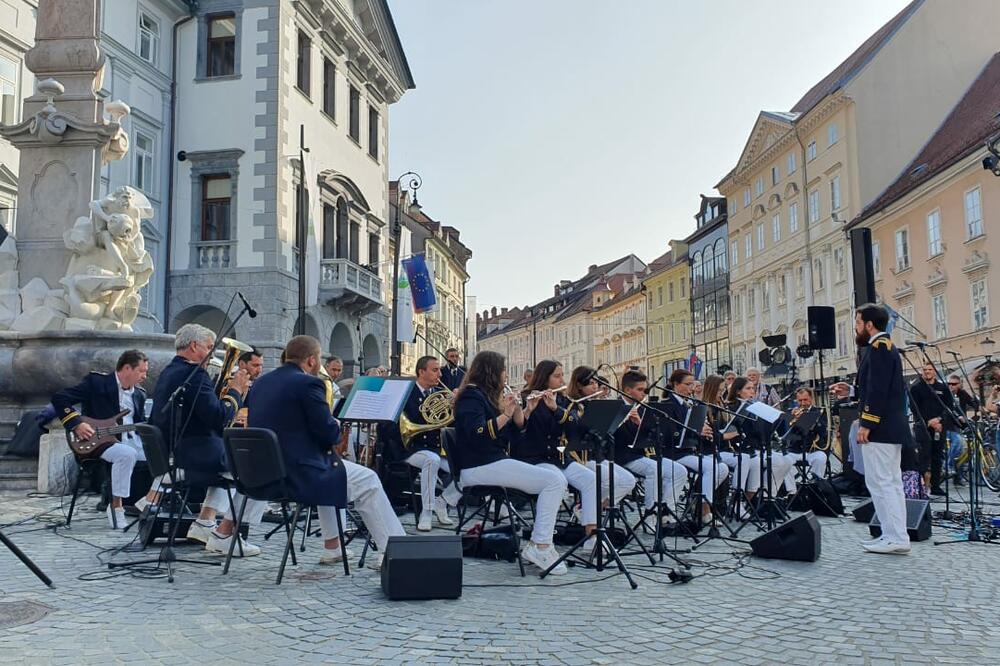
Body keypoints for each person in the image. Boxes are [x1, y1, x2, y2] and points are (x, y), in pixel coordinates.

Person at [247, 335, 406, 569]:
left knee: (332, 468)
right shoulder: (308, 384)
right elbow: (328, 434)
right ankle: (395, 548)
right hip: (297, 473)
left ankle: (333, 546)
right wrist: (335, 423)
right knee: (368, 480)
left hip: (264, 470)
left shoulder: (262, 382)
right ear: (311, 360)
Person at [447, 350, 569, 575]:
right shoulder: (471, 397)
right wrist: (505, 414)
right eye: (503, 370)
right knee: (553, 481)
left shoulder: (486, 396)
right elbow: (478, 434)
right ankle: (540, 545)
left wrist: (524, 412)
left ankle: (541, 543)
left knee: (557, 479)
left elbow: (513, 436)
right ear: (492, 372)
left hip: (492, 461)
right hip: (478, 465)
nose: (505, 376)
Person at [150, 323, 261, 557]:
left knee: (230, 462)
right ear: (194, 346)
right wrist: (236, 392)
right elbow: (219, 417)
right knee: (254, 468)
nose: (212, 354)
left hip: (176, 448)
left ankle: (205, 522)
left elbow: (199, 413)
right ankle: (224, 535)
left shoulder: (171, 370)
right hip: (191, 452)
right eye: (210, 347)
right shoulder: (195, 375)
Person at [513, 361, 635, 548]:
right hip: (536, 457)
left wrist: (556, 409)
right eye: (557, 376)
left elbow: (574, 427)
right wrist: (531, 408)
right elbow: (525, 432)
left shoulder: (561, 400)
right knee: (556, 482)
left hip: (559, 458)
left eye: (562, 375)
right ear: (544, 377)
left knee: (591, 480)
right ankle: (540, 543)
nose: (562, 380)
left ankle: (591, 536)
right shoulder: (525, 397)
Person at [831, 304, 912, 555]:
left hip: (882, 427)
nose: (855, 328)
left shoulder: (878, 348)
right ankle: (892, 534)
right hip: (887, 425)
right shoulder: (882, 348)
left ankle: (896, 536)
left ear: (869, 324)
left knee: (883, 482)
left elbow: (879, 391)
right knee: (886, 482)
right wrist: (853, 391)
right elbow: (876, 387)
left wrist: (867, 423)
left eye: (857, 322)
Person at [51, 349, 156, 530]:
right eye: (142, 371)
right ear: (127, 368)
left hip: (130, 439)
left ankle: (148, 505)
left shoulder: (140, 394)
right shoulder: (96, 383)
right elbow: (60, 398)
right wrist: (76, 424)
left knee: (161, 459)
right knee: (126, 454)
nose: (145, 376)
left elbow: (139, 424)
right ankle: (116, 507)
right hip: (97, 441)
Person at [613, 370, 688, 526]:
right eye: (640, 390)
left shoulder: (642, 407)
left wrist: (645, 424)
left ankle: (667, 511)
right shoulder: (615, 406)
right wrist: (629, 422)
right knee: (653, 469)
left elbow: (653, 436)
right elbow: (614, 439)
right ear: (627, 390)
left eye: (645, 390)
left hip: (644, 454)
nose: (643, 394)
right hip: (623, 455)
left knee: (679, 471)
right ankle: (650, 515)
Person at [663, 369, 729, 525]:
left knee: (722, 469)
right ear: (675, 385)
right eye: (687, 384)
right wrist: (695, 429)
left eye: (692, 383)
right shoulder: (667, 404)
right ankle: (704, 509)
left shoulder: (689, 403)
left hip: (689, 449)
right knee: (713, 468)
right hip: (675, 451)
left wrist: (704, 430)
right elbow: (670, 432)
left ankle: (700, 502)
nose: (691, 388)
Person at [399, 355, 455, 531]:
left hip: (434, 447)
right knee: (432, 460)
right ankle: (427, 512)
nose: (439, 373)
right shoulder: (406, 392)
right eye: (435, 370)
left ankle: (443, 501)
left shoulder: (438, 394)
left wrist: (455, 407)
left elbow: (447, 423)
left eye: (439, 369)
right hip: (411, 448)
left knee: (467, 467)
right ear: (421, 372)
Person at [727, 376, 794, 499]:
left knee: (787, 462)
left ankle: (769, 495)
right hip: (745, 449)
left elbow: (768, 430)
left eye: (753, 388)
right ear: (738, 391)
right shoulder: (733, 407)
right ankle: (755, 498)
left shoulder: (756, 406)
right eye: (748, 388)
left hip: (760, 446)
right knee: (777, 462)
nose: (752, 391)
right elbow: (738, 430)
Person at [704, 375, 761, 507]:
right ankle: (736, 501)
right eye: (719, 391)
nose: (721, 394)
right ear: (711, 390)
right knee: (744, 459)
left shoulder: (722, 406)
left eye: (723, 390)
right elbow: (707, 437)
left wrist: (736, 432)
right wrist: (724, 436)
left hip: (726, 449)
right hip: (711, 451)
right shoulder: (707, 408)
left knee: (753, 461)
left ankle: (746, 500)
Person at [909, 363, 957, 495]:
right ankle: (921, 486)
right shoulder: (916, 388)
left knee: (937, 456)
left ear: (934, 372)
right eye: (924, 370)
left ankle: (935, 485)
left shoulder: (943, 388)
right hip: (923, 427)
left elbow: (949, 407)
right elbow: (914, 408)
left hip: (939, 427)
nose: (927, 372)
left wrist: (939, 420)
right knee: (924, 456)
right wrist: (928, 421)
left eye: (929, 370)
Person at [782, 387, 829, 487]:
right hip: (795, 450)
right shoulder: (791, 412)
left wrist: (806, 420)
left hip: (813, 449)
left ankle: (817, 486)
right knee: (783, 461)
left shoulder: (820, 412)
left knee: (821, 458)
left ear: (811, 398)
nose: (803, 403)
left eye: (805, 400)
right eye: (800, 400)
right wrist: (792, 418)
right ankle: (791, 490)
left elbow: (823, 432)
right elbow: (786, 434)